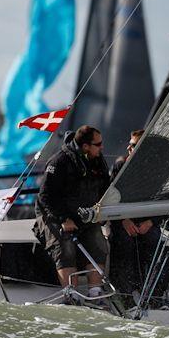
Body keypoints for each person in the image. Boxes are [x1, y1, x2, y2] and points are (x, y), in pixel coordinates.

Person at [34, 125, 110, 299]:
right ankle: (72, 296)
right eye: (98, 144)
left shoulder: (98, 160)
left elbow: (105, 189)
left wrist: (101, 214)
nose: (102, 147)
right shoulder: (59, 162)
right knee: (65, 246)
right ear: (85, 146)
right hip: (54, 215)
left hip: (85, 215)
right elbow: (45, 197)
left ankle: (95, 293)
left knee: (98, 242)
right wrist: (63, 219)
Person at [108, 129, 169, 301]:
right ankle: (125, 293)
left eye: (133, 145)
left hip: (148, 220)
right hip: (122, 220)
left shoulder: (158, 169)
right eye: (129, 144)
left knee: (154, 243)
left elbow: (165, 201)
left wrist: (151, 221)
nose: (128, 148)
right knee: (124, 243)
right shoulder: (120, 166)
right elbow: (110, 198)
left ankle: (156, 294)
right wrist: (124, 220)